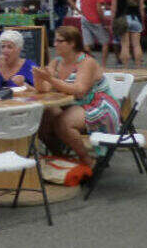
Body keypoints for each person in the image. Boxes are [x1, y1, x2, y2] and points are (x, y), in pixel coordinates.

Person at [32, 26, 118, 169]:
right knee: (42, 119)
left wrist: (51, 80)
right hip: (73, 104)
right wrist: (39, 78)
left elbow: (80, 91)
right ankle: (62, 158)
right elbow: (45, 90)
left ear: (72, 43)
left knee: (62, 123)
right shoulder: (56, 62)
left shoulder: (86, 62)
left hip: (96, 104)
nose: (55, 44)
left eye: (60, 41)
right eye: (55, 41)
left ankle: (88, 162)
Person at [69, 0, 110, 66]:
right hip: (96, 20)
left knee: (87, 44)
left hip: (84, 18)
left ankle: (90, 62)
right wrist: (104, 21)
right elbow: (99, 9)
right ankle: (104, 65)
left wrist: (77, 10)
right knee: (105, 43)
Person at [110, 0, 144, 68]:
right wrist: (141, 21)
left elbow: (113, 10)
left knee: (125, 45)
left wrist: (112, 23)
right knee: (137, 45)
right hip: (136, 19)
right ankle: (138, 66)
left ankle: (125, 67)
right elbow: (141, 10)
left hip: (122, 20)